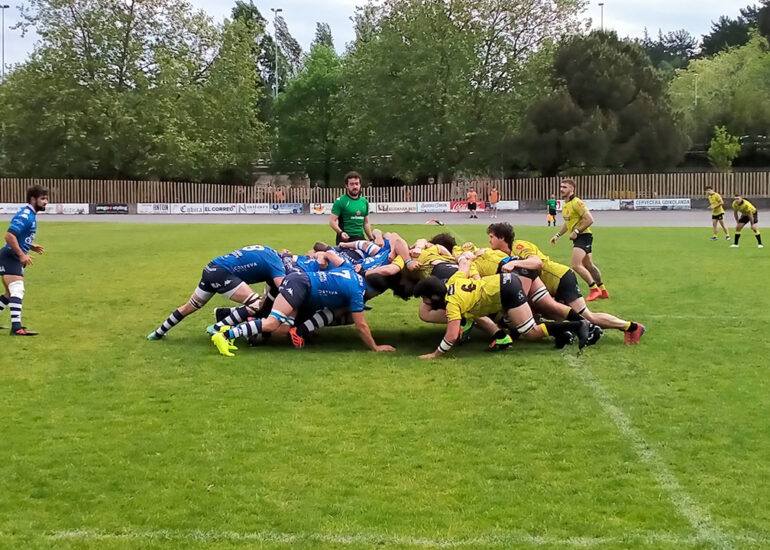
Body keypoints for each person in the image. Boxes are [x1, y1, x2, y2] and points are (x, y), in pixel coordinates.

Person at [487, 222, 644, 344]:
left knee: (587, 316)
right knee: (551, 313)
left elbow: (536, 263)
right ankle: (571, 332)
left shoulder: (519, 246)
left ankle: (631, 327)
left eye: (491, 236)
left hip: (561, 278)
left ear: (502, 238)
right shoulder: (500, 254)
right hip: (547, 286)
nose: (489, 240)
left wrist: (515, 264)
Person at [414, 257, 594, 359]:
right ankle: (572, 329)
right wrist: (462, 256)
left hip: (505, 290)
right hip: (505, 283)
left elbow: (451, 335)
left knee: (530, 332)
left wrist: (435, 354)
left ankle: (577, 325)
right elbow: (465, 265)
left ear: (434, 296)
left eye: (425, 299)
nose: (425, 302)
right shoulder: (454, 281)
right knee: (525, 328)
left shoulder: (452, 304)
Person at [212, 266, 395, 356]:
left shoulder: (353, 275)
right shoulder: (357, 292)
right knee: (273, 322)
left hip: (301, 283)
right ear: (372, 290)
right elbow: (361, 325)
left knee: (283, 329)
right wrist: (375, 347)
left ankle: (245, 327)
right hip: (300, 285)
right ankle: (226, 335)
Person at [147, 245, 286, 340]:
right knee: (256, 304)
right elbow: (283, 286)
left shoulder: (269, 252)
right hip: (223, 274)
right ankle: (216, 328)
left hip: (211, 268)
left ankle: (158, 333)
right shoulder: (277, 263)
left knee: (190, 306)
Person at [0, 185, 48, 336]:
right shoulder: (26, 215)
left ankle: (16, 327)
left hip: (11, 255)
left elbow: (18, 235)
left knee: (9, 293)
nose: (46, 202)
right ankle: (17, 328)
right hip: (10, 256)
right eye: (42, 198)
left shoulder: (31, 214)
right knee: (17, 289)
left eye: (46, 198)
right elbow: (9, 236)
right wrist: (21, 254)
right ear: (33, 199)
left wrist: (30, 245)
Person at [550, 179, 608, 301]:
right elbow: (568, 223)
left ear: (572, 189)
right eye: (561, 187)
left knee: (576, 265)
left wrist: (577, 231)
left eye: (565, 187)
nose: (562, 189)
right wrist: (558, 235)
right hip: (580, 237)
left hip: (583, 236)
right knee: (588, 265)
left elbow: (590, 219)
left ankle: (594, 289)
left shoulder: (577, 203)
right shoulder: (566, 204)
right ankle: (602, 290)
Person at [330, 171, 373, 244]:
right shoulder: (340, 201)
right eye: (352, 184)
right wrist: (341, 233)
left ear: (360, 185)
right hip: (346, 239)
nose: (355, 187)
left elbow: (366, 223)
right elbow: (332, 221)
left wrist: (371, 239)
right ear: (347, 185)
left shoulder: (364, 201)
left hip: (360, 239)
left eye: (357, 184)